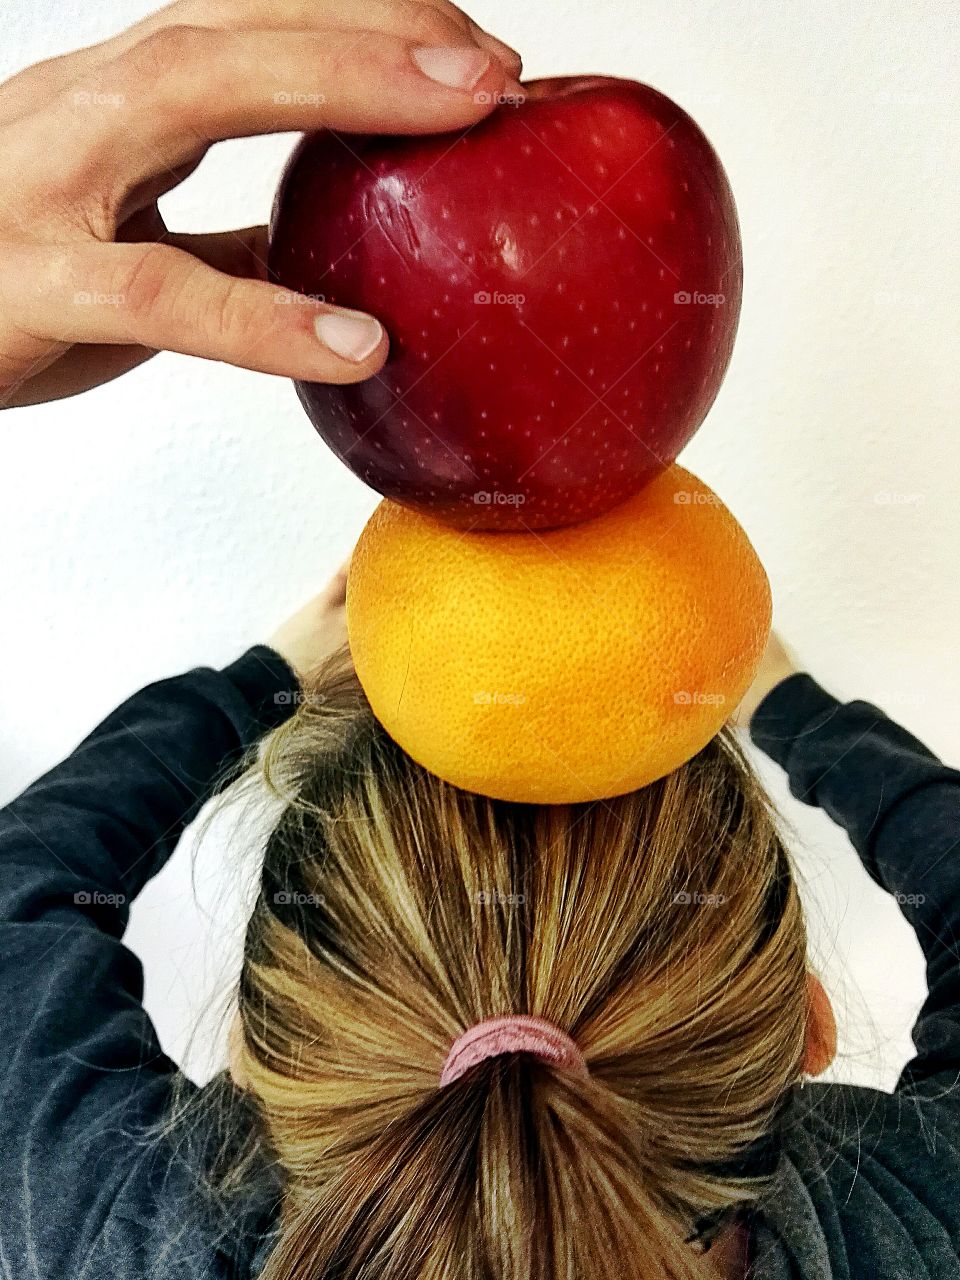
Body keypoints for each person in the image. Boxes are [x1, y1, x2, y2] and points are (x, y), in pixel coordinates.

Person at [0, 5, 956, 1279]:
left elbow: (22, 885)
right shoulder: (908, 1222)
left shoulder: (126, 1234)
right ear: (812, 1032)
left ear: (253, 1055)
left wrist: (268, 673)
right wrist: (782, 697)